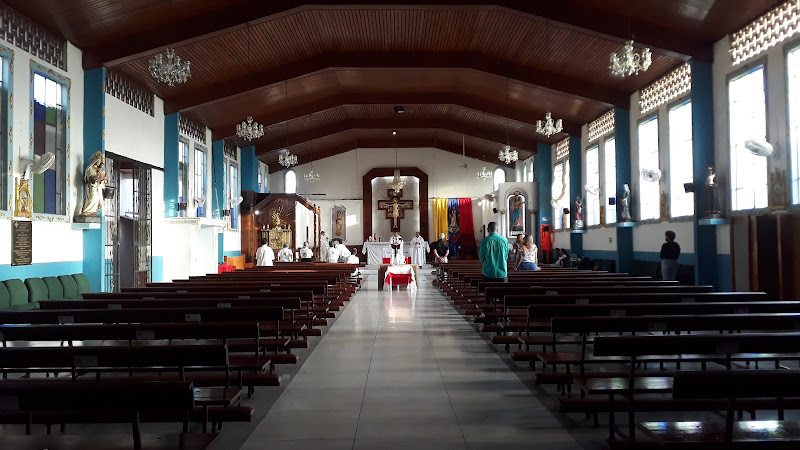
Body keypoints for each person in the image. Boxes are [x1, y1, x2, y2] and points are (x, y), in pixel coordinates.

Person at [80, 151, 107, 216]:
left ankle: (93, 212)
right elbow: (89, 178)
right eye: (98, 161)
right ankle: (87, 211)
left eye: (100, 161)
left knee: (96, 199)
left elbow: (101, 178)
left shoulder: (98, 170)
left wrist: (102, 179)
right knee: (92, 197)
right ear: (95, 161)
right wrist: (95, 178)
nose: (99, 162)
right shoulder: (90, 168)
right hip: (92, 186)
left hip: (97, 187)